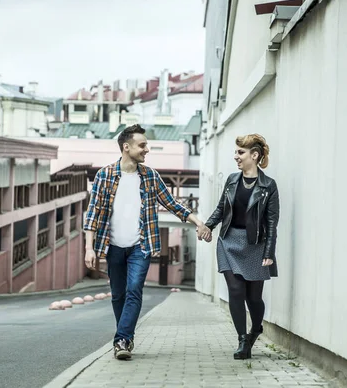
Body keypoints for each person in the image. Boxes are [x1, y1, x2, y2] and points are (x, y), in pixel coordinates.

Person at [83, 124, 211, 360]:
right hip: (112, 246)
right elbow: (93, 213)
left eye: (146, 145)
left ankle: (122, 340)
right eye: (142, 145)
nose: (146, 149)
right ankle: (124, 336)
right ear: (126, 147)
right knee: (118, 295)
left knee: (134, 290)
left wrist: (198, 222)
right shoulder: (105, 175)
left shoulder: (150, 176)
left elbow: (173, 204)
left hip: (140, 246)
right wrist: (89, 248)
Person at [202, 133, 280, 360]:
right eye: (236, 152)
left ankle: (256, 328)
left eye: (240, 152)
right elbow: (221, 208)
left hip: (255, 245)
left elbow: (272, 223)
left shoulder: (268, 186)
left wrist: (269, 253)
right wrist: (208, 226)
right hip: (228, 241)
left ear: (254, 155)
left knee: (253, 298)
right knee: (236, 291)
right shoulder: (232, 180)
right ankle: (242, 339)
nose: (235, 156)